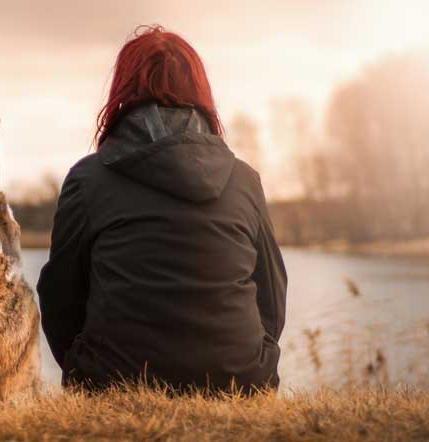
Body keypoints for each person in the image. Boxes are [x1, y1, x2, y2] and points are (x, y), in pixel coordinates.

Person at [36, 25, 287, 393]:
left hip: (113, 382)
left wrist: (83, 367)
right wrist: (251, 362)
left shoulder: (88, 180)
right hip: (240, 382)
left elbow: (60, 298)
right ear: (200, 92)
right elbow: (272, 296)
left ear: (123, 91)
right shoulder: (244, 180)